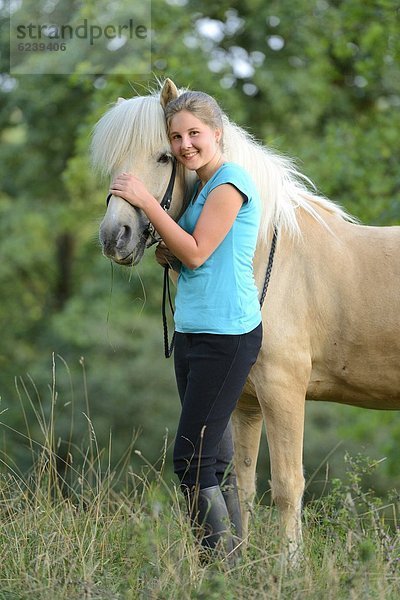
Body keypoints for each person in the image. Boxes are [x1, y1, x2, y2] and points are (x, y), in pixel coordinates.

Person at [110, 90, 262, 563]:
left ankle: (218, 573)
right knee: (214, 460)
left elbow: (197, 251)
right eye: (176, 136)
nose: (184, 144)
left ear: (217, 133)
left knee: (190, 461)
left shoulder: (230, 184)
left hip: (226, 336)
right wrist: (167, 253)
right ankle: (240, 569)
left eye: (194, 133)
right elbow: (196, 259)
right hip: (194, 333)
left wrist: (144, 202)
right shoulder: (199, 188)